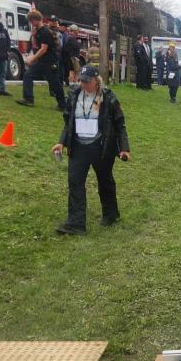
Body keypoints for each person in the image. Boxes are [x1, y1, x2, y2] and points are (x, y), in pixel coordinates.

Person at [51, 65, 130, 235]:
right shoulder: (74, 95)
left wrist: (124, 148)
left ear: (96, 80)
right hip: (78, 147)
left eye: (87, 81)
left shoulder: (108, 97)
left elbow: (119, 124)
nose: (84, 84)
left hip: (101, 147)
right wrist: (61, 142)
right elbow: (69, 123)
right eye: (81, 81)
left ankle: (110, 215)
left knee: (105, 181)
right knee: (75, 182)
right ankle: (76, 223)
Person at [17, 9, 65, 110]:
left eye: (31, 21)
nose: (31, 23)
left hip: (49, 62)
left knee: (55, 84)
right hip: (42, 61)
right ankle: (28, 99)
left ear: (36, 19)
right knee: (28, 75)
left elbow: (44, 49)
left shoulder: (45, 32)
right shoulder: (39, 32)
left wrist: (32, 59)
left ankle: (63, 105)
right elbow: (37, 47)